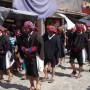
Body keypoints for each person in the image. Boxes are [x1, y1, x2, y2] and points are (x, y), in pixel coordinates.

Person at [21, 21, 43, 90]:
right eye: (24, 28)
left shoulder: (36, 35)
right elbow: (21, 45)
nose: (24, 29)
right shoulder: (24, 35)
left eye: (26, 28)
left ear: (30, 28)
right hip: (26, 57)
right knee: (29, 72)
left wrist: (30, 50)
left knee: (34, 72)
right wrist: (23, 49)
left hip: (33, 57)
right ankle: (32, 85)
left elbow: (39, 45)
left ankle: (38, 83)